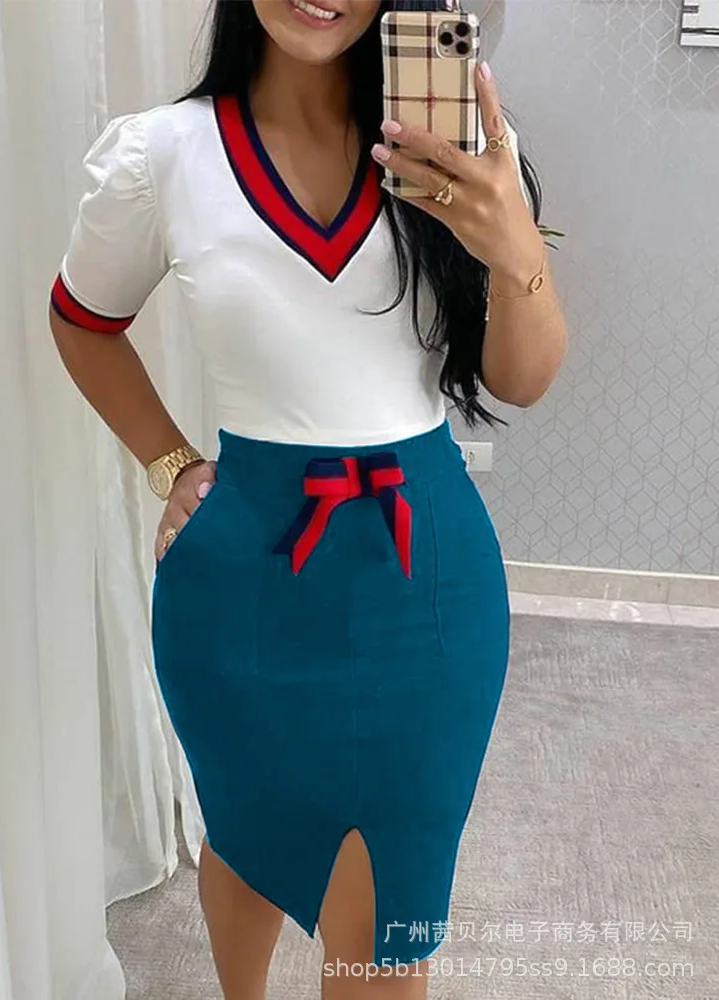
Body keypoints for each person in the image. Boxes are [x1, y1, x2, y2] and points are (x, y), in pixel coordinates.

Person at [48, 0, 568, 996]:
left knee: (388, 917)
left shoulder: (446, 143)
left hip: (427, 592)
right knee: (244, 831)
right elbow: (81, 318)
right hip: (238, 582)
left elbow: (523, 378)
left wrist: (515, 251)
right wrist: (171, 463)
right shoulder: (162, 155)